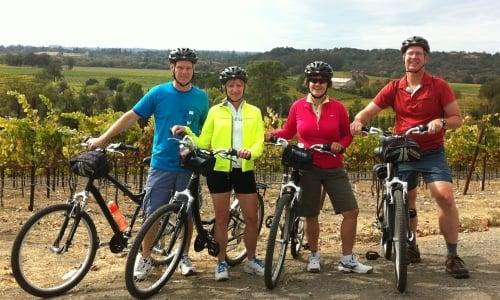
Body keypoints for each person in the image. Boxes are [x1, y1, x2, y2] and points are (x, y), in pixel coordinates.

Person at [350, 36, 469, 279]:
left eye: (418, 53)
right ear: (403, 58)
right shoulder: (394, 87)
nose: (413, 57)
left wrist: (442, 121)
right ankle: (411, 245)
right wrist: (359, 120)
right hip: (402, 150)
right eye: (409, 53)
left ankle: (452, 255)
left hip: (431, 151)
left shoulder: (439, 86)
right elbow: (370, 110)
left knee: (444, 197)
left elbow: (457, 119)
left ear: (426, 58)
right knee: (406, 201)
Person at [87, 48, 209, 280]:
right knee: (152, 213)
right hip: (162, 163)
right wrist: (104, 137)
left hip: (189, 166)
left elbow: (204, 129)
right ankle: (145, 258)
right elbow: (131, 116)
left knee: (188, 213)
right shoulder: (158, 93)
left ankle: (182, 255)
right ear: (171, 68)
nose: (184, 72)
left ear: (194, 70)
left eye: (188, 68)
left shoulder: (202, 97)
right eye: (180, 67)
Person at [265, 61, 373, 274]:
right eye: (313, 80)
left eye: (322, 80)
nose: (317, 84)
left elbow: (346, 133)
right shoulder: (297, 106)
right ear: (307, 82)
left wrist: (340, 145)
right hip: (308, 166)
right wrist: (270, 135)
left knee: (351, 211)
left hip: (333, 166)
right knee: (311, 213)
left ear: (328, 84)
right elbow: (288, 131)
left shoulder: (338, 108)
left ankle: (347, 259)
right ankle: (314, 255)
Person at [172, 66, 265, 281]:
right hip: (218, 169)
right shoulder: (215, 111)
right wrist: (188, 133)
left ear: (244, 87)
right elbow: (204, 141)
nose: (234, 89)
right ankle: (221, 262)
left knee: (251, 218)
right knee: (221, 218)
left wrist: (250, 152)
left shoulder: (254, 112)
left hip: (243, 168)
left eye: (238, 85)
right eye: (230, 85)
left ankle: (251, 260)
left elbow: (259, 141)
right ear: (225, 88)